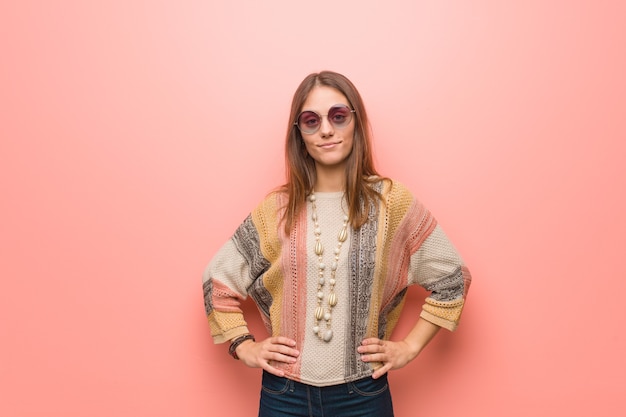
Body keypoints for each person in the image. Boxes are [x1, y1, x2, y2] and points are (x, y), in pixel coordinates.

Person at [202, 70, 472, 417]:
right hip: (284, 392)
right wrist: (244, 346)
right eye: (311, 121)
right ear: (299, 135)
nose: (326, 129)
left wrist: (409, 347)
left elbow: (452, 278)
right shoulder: (278, 209)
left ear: (356, 123)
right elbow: (218, 279)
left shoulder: (390, 203)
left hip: (362, 393)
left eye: (338, 116)